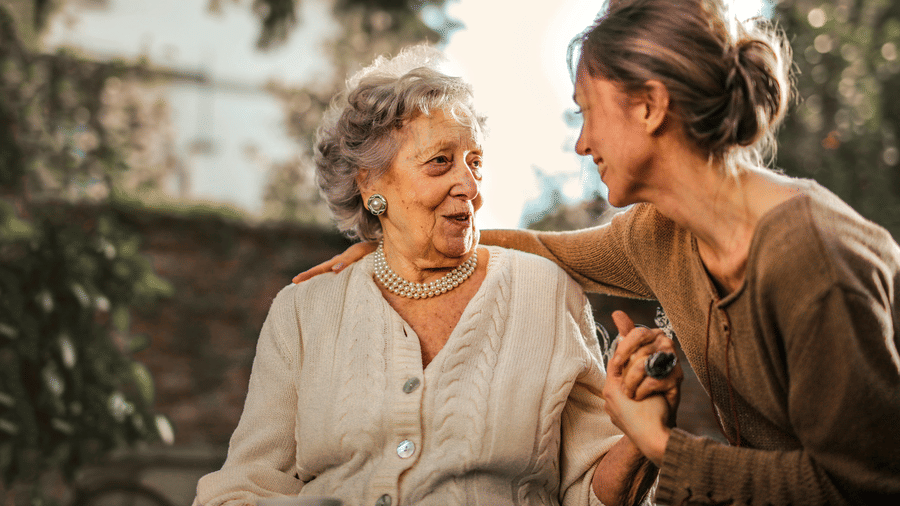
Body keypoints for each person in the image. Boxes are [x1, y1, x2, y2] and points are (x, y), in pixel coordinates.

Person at [294, 1, 900, 504]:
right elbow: (541, 248)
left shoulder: (812, 260)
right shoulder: (659, 233)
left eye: (587, 113)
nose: (581, 144)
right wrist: (395, 246)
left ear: (650, 106)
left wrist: (664, 448)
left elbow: (866, 485)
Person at [194, 45, 676, 506]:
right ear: (371, 184)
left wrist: (640, 438)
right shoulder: (303, 311)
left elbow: (590, 493)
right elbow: (248, 481)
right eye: (440, 162)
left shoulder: (545, 293)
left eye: (476, 163)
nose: (468, 186)